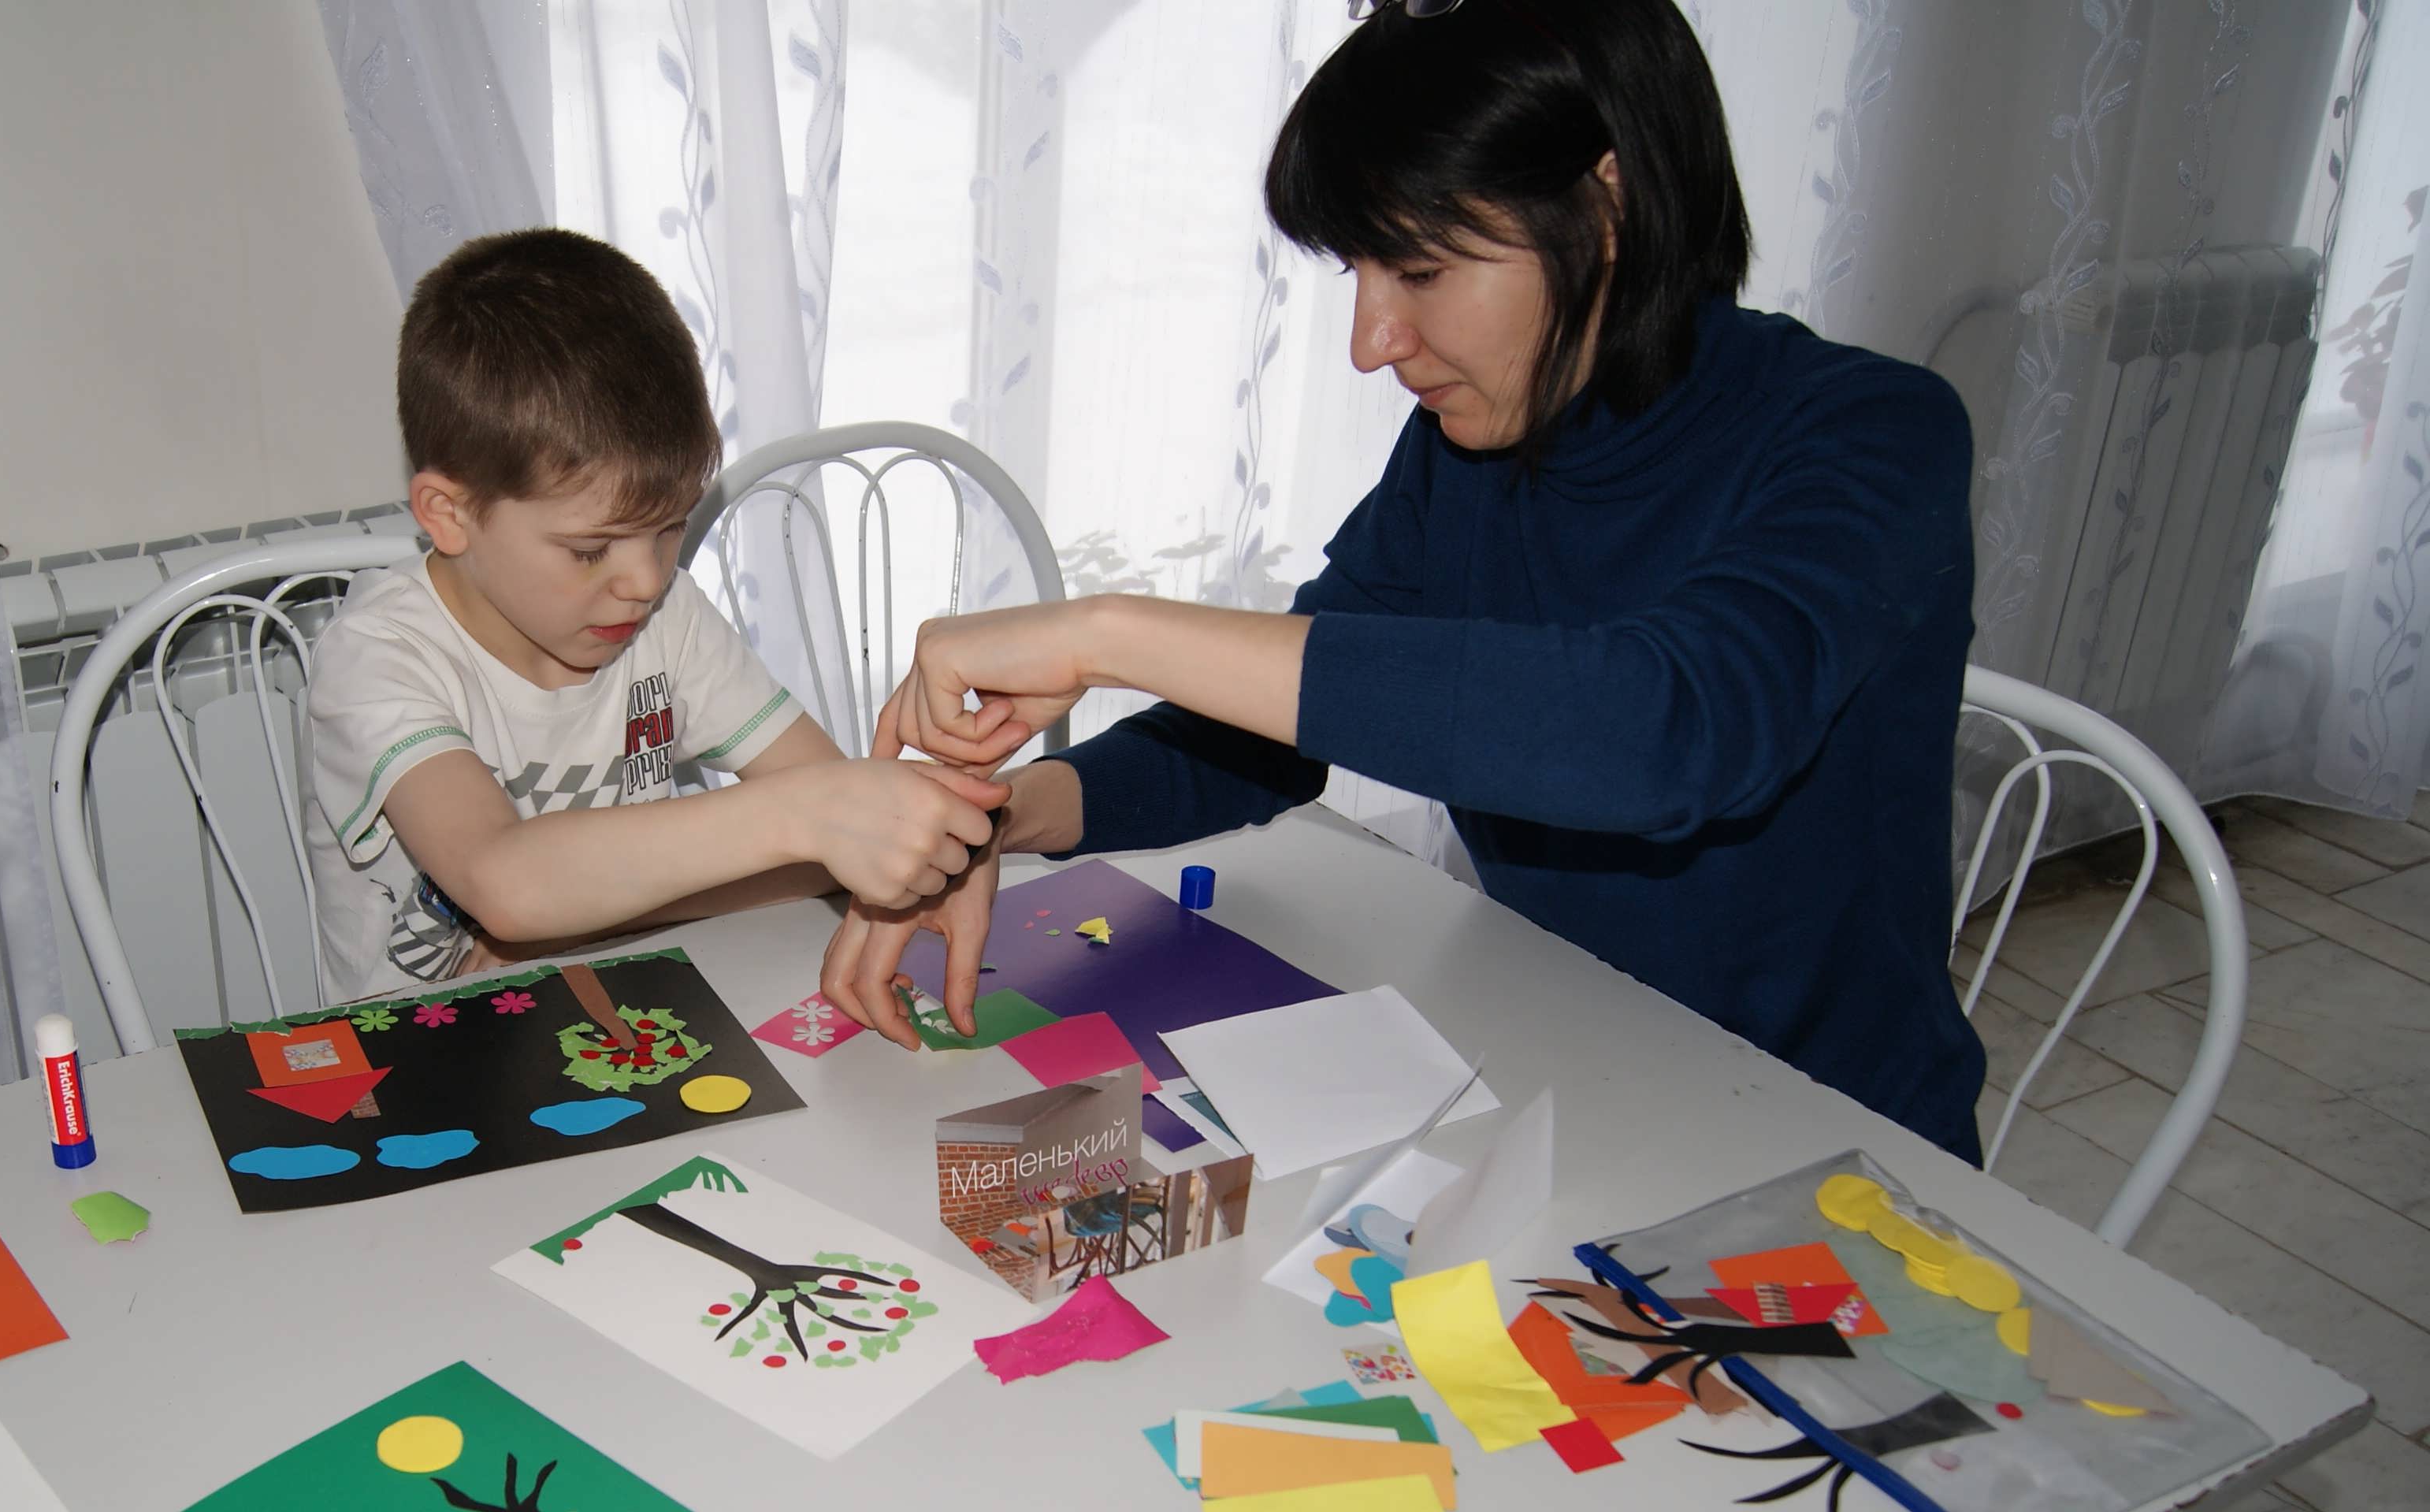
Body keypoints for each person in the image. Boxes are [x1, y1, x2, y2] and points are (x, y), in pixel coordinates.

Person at [822, 0, 1988, 1162]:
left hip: (1834, 1143)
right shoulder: (1469, 447)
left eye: (1422, 267)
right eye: (1360, 269)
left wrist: (1107, 632)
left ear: (1610, 202)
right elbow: (1273, 730)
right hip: (1562, 1067)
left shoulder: (1873, 431)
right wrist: (998, 819)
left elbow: (1663, 729)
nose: (1371, 340)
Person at [302, 227, 1003, 1001]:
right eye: (589, 548)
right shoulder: (377, 655)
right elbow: (504, 883)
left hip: (626, 1008)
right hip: (409, 1061)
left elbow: (833, 844)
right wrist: (805, 817)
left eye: (669, 526)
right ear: (449, 514)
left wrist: (581, 925)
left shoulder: (663, 617)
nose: (643, 579)